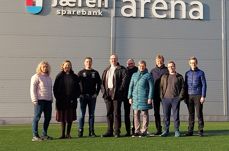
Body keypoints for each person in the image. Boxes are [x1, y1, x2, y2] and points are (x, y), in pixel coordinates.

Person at [101, 54, 127, 138]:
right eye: (112, 59)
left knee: (116, 113)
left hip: (117, 94)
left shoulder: (122, 69)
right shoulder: (106, 70)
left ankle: (116, 131)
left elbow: (124, 81)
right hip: (107, 94)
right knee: (109, 113)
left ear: (117, 60)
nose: (113, 60)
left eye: (115, 59)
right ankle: (109, 131)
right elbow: (102, 83)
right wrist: (104, 92)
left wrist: (119, 91)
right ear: (109, 60)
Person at [53, 60, 80, 139]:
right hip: (61, 101)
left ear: (70, 66)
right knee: (63, 118)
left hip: (71, 101)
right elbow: (55, 89)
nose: (67, 67)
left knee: (69, 118)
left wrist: (75, 96)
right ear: (63, 66)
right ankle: (62, 135)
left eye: (69, 65)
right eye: (66, 65)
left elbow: (78, 89)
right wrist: (58, 98)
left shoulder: (75, 76)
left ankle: (68, 134)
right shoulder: (59, 76)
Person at [128, 60, 154, 137]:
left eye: (143, 66)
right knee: (136, 114)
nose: (141, 67)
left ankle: (144, 131)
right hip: (135, 98)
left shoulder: (148, 75)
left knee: (144, 114)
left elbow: (151, 87)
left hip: (144, 98)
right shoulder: (134, 75)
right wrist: (130, 97)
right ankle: (137, 130)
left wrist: (150, 98)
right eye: (140, 66)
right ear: (138, 66)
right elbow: (131, 86)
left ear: (145, 66)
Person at [160, 61, 185, 137]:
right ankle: (166, 130)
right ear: (167, 68)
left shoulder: (179, 76)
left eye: (172, 66)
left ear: (175, 67)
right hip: (165, 99)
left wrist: (180, 97)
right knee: (166, 116)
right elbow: (160, 87)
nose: (170, 68)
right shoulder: (164, 76)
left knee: (176, 116)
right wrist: (162, 97)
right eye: (169, 67)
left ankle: (176, 131)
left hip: (175, 99)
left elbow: (183, 88)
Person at [78, 57, 101, 137]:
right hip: (83, 97)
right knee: (82, 115)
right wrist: (79, 94)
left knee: (91, 115)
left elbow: (99, 84)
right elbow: (77, 84)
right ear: (84, 63)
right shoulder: (81, 73)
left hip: (92, 97)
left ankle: (91, 132)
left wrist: (96, 94)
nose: (88, 63)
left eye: (90, 62)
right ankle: (80, 131)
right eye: (87, 61)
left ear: (92, 63)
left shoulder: (95, 72)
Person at [30, 61, 53, 141]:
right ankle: (35, 136)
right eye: (43, 66)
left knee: (48, 118)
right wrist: (34, 100)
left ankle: (44, 134)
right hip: (39, 101)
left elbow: (50, 89)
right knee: (37, 118)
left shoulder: (49, 77)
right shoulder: (36, 76)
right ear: (40, 67)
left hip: (48, 101)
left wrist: (51, 98)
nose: (45, 68)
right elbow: (32, 90)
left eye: (46, 66)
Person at [185, 56, 207, 137]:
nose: (193, 64)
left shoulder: (201, 72)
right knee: (191, 114)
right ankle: (190, 130)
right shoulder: (187, 73)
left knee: (199, 114)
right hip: (189, 96)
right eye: (191, 63)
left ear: (196, 63)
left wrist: (203, 96)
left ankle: (200, 130)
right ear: (189, 64)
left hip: (198, 95)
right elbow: (185, 85)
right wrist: (185, 97)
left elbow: (204, 85)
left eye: (194, 63)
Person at [150, 55, 168, 135]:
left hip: (165, 94)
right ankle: (158, 129)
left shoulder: (167, 70)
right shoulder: (153, 71)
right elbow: (150, 83)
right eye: (157, 61)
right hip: (155, 94)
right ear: (156, 62)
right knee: (156, 112)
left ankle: (165, 129)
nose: (159, 62)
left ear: (163, 61)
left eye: (160, 61)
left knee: (165, 112)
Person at [123, 58, 138, 136]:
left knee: (135, 113)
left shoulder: (138, 71)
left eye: (131, 63)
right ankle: (128, 131)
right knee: (127, 114)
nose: (130, 65)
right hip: (126, 95)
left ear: (134, 63)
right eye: (128, 64)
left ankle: (135, 130)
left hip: (136, 95)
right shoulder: (125, 71)